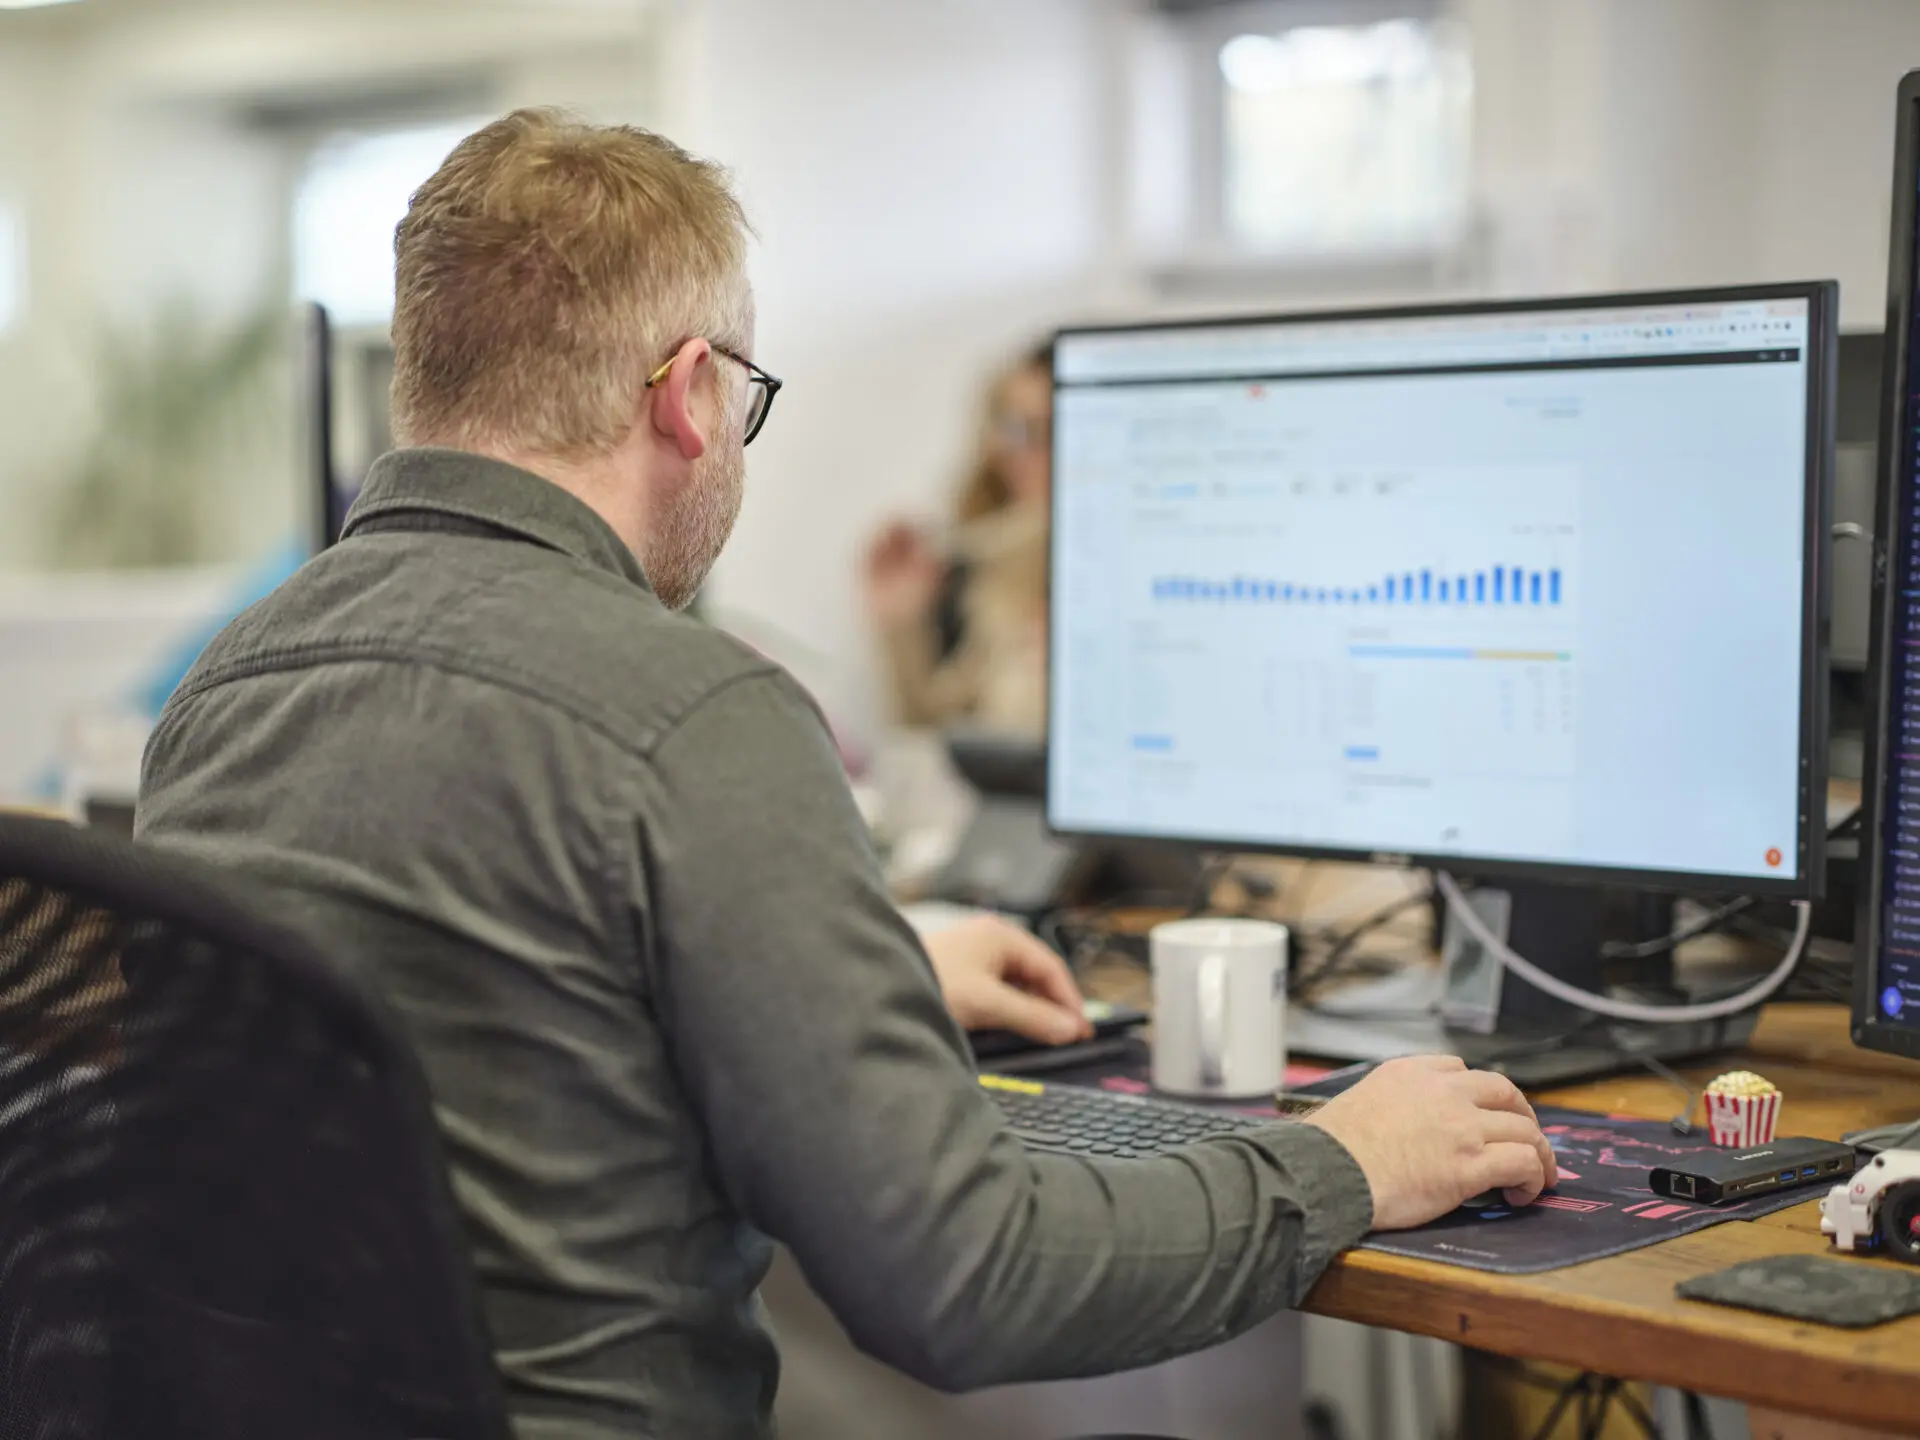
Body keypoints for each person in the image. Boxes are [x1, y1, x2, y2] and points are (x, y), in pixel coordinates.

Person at [136, 110, 1556, 1440]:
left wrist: (830, 983)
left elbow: (467, 1013)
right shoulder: (696, 714)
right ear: (692, 395)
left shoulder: (222, 695)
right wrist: (1346, 1162)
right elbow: (967, 1281)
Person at [865, 345, 1052, 735]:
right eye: (1009, 425)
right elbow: (932, 731)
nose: (1009, 450)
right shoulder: (977, 568)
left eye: (1039, 432)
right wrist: (903, 624)